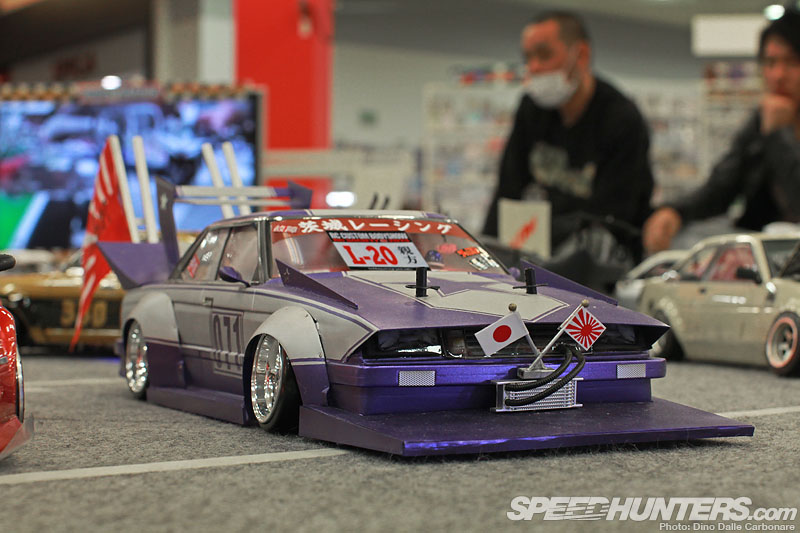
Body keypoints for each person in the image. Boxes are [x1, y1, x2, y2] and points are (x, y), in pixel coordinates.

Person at [482, 10, 654, 262]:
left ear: (581, 55)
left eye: (544, 55)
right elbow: (507, 192)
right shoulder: (531, 109)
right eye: (528, 58)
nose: (534, 67)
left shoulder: (621, 119)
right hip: (536, 256)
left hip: (602, 265)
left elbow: (613, 217)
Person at [643, 8, 800, 253]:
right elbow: (721, 186)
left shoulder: (771, 124)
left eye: (792, 62)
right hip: (765, 259)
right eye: (770, 62)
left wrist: (778, 135)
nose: (778, 75)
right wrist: (675, 211)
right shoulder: (759, 123)